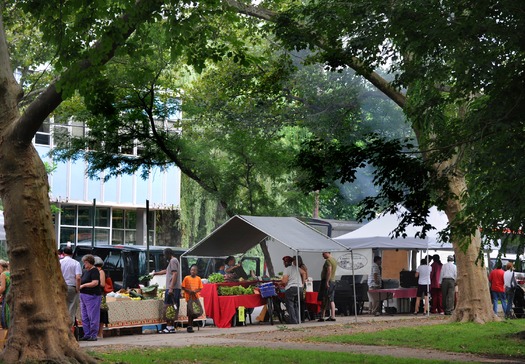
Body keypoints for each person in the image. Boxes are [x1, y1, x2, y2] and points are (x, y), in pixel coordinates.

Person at [153, 248, 181, 333]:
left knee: (168, 306)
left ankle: (169, 326)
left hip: (173, 288)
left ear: (168, 254)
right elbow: (167, 271)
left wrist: (171, 287)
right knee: (172, 306)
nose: (164, 257)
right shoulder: (173, 261)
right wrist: (156, 273)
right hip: (174, 288)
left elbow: (175, 274)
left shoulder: (173, 261)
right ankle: (171, 327)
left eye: (165, 255)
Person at [79, 254, 101, 341]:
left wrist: (84, 285)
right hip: (83, 295)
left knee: (92, 315)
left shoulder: (94, 271)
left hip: (92, 296)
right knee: (84, 316)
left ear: (89, 262)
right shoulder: (84, 271)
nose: (84, 265)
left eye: (85, 263)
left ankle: (93, 334)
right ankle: (86, 333)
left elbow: (95, 282)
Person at [60, 246, 82, 327]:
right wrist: (77, 288)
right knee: (71, 307)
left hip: (61, 286)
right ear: (72, 254)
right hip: (71, 286)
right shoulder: (76, 263)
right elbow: (78, 277)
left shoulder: (60, 262)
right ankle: (69, 326)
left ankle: (61, 324)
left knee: (62, 306)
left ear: (63, 254)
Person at [281, 256, 304, 324]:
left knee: (290, 304)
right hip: (299, 288)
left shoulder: (286, 269)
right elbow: (304, 272)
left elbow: (285, 281)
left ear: (285, 262)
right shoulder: (296, 268)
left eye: (283, 262)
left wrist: (280, 283)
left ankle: (293, 321)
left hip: (291, 288)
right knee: (296, 304)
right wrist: (302, 283)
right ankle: (298, 320)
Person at [181, 264, 203, 333]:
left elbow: (200, 288)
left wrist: (195, 291)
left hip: (195, 297)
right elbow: (183, 287)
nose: (192, 271)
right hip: (189, 297)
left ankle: (191, 324)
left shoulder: (198, 279)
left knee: (197, 311)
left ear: (196, 271)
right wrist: (189, 291)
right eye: (191, 270)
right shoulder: (186, 278)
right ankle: (189, 326)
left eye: (194, 270)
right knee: (190, 312)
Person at [317, 251, 337, 322]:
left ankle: (322, 316)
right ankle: (333, 316)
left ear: (327, 252)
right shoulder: (334, 260)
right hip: (333, 281)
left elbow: (329, 270)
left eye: (323, 253)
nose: (322, 255)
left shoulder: (328, 261)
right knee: (331, 298)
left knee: (324, 298)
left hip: (328, 281)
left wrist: (327, 282)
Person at [94, 256, 109, 338]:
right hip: (96, 294)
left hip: (100, 295)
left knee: (101, 313)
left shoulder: (101, 272)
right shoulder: (95, 271)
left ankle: (100, 333)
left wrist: (93, 283)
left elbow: (102, 284)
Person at [0, 260, 11, 329]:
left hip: (7, 298)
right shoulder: (10, 273)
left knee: (5, 317)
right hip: (12, 297)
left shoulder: (3, 274)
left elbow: (2, 288)